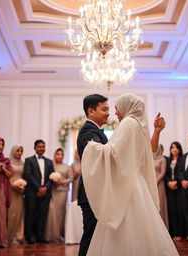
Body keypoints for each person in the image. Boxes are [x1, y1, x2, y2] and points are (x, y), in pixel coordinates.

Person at [81, 93, 179, 256]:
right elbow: (151, 152)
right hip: (137, 185)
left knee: (123, 229)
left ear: (127, 107)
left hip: (128, 185)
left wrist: (92, 147)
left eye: (117, 108)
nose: (115, 113)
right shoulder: (138, 125)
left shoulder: (127, 123)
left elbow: (113, 152)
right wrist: (157, 131)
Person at [77, 94, 109, 256]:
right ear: (91, 111)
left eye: (108, 109)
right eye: (104, 109)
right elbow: (98, 153)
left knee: (96, 237)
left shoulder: (95, 130)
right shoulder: (88, 130)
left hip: (96, 191)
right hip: (91, 193)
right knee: (90, 236)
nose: (108, 113)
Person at [23, 139, 54, 244]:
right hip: (32, 192)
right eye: (39, 147)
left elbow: (51, 177)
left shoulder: (49, 162)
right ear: (35, 148)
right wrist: (38, 188)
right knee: (30, 215)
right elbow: (28, 175)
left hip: (46, 192)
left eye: (43, 147)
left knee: (42, 215)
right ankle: (29, 236)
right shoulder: (29, 160)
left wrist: (45, 188)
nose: (42, 148)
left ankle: (40, 236)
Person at [45, 148, 73, 242]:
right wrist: (52, 181)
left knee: (59, 213)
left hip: (62, 192)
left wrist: (61, 182)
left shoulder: (67, 167)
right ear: (54, 155)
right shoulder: (51, 165)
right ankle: (50, 235)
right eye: (58, 154)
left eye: (61, 154)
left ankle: (59, 235)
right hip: (52, 191)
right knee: (51, 211)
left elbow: (71, 178)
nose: (60, 156)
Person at [165, 141, 185, 241]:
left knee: (180, 210)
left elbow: (181, 173)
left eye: (176, 147)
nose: (174, 149)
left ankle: (180, 233)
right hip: (169, 188)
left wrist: (176, 182)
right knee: (172, 210)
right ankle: (174, 233)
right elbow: (166, 174)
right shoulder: (167, 160)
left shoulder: (182, 159)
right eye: (172, 147)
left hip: (179, 188)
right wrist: (169, 182)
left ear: (180, 149)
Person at [8, 144, 25, 245]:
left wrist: (23, 187)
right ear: (13, 151)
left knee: (19, 213)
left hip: (20, 190)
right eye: (17, 150)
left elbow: (24, 176)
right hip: (11, 189)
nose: (19, 153)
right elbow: (6, 177)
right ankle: (9, 236)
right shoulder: (8, 162)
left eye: (21, 151)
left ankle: (18, 236)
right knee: (11, 213)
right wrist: (13, 185)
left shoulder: (23, 163)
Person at [153, 144, 169, 229]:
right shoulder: (149, 159)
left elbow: (163, 173)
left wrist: (155, 182)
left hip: (159, 184)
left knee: (160, 204)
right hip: (150, 184)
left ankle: (163, 228)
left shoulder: (162, 159)